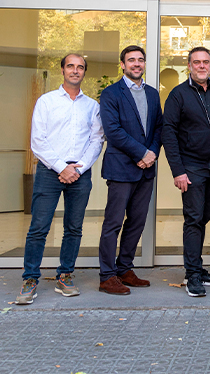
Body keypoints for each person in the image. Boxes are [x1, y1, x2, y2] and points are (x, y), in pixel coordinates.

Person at [16, 54, 104, 305]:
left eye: (80, 67)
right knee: (39, 228)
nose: (75, 71)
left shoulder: (92, 106)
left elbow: (97, 140)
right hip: (49, 171)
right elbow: (37, 140)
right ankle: (30, 278)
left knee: (74, 228)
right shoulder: (46, 102)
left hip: (80, 173)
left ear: (84, 72)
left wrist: (79, 168)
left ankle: (65, 275)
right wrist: (61, 168)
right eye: (71, 66)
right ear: (63, 70)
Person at [162, 46, 210, 298]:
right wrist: (178, 171)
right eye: (197, 62)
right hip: (191, 168)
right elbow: (168, 133)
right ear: (189, 66)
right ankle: (192, 275)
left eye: (206, 62)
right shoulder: (178, 94)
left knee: (203, 218)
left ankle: (197, 268)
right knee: (193, 219)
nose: (202, 66)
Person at [98, 46, 163, 295]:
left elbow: (159, 127)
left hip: (146, 169)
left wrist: (152, 153)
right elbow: (113, 131)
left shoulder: (152, 94)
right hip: (121, 168)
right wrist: (142, 153)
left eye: (140, 60)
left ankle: (124, 269)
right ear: (123, 65)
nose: (136, 63)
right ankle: (107, 276)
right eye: (131, 60)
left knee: (137, 222)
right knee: (113, 223)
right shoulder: (111, 93)